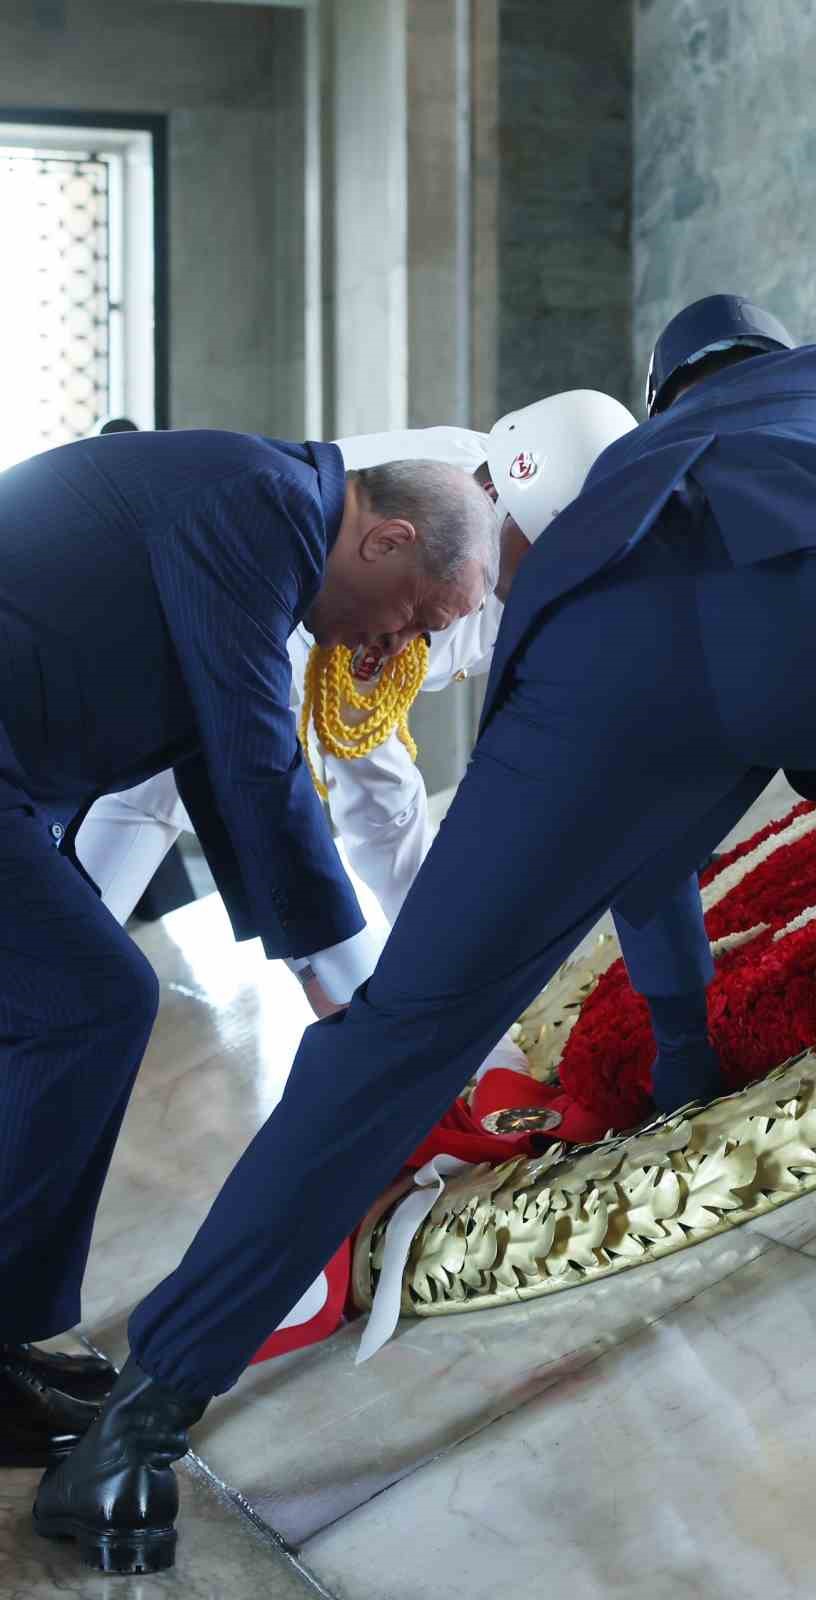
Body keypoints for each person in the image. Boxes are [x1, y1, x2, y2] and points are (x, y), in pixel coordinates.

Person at [34, 296, 816, 1574]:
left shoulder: (619, 483)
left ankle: (138, 1428)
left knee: (401, 1032)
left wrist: (680, 1062)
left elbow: (645, 842)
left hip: (582, 664)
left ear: (664, 394)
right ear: (775, 356)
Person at [0, 430, 497, 1479]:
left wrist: (329, 986)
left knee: (73, 1009)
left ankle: (5, 1343)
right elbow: (248, 748)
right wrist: (349, 990)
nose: (385, 650)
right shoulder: (258, 505)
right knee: (91, 1003)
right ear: (388, 540)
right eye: (408, 614)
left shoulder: (266, 521)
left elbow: (220, 769)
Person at [74, 394, 637, 1026]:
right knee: (155, 801)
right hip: (206, 665)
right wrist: (356, 984)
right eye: (555, 553)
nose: (567, 578)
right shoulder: (410, 535)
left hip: (249, 698)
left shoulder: (533, 561)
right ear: (508, 507)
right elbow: (297, 773)